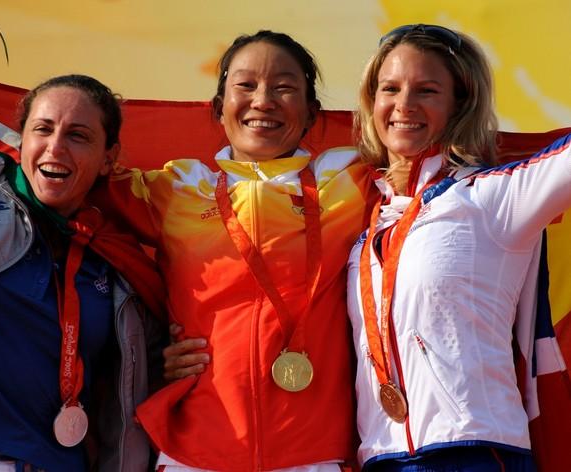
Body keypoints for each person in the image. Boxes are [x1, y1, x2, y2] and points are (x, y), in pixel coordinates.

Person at [91, 30, 378, 471]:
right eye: (245, 85)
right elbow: (59, 169)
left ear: (310, 113)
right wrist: (153, 356)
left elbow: (438, 155)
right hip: (196, 452)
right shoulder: (179, 189)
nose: (263, 100)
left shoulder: (351, 181)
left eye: (284, 87)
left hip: (314, 453)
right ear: (218, 105)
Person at [347, 24, 571, 471]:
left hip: (474, 451)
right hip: (380, 456)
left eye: (426, 90)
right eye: (389, 88)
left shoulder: (494, 199)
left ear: (460, 103)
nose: (403, 105)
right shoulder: (360, 216)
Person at [0, 74, 165, 472]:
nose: (55, 147)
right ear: (23, 140)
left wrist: (179, 360)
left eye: (78, 135)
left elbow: (138, 384)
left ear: (109, 157)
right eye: (43, 129)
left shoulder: (118, 262)